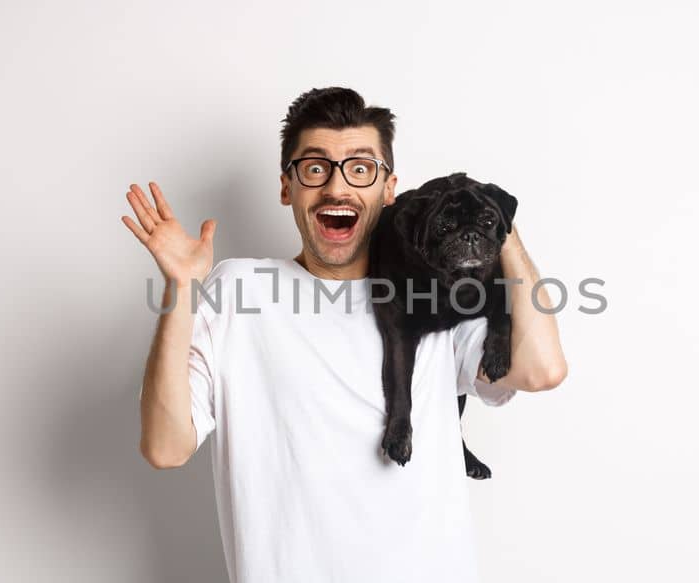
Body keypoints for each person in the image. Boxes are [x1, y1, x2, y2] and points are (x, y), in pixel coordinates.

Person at [122, 87, 567, 583]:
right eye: (315, 168)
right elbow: (165, 448)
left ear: (390, 188)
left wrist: (498, 220)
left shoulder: (435, 299)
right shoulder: (238, 290)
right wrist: (181, 288)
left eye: (360, 169)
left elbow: (542, 369)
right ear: (287, 187)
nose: (337, 189)